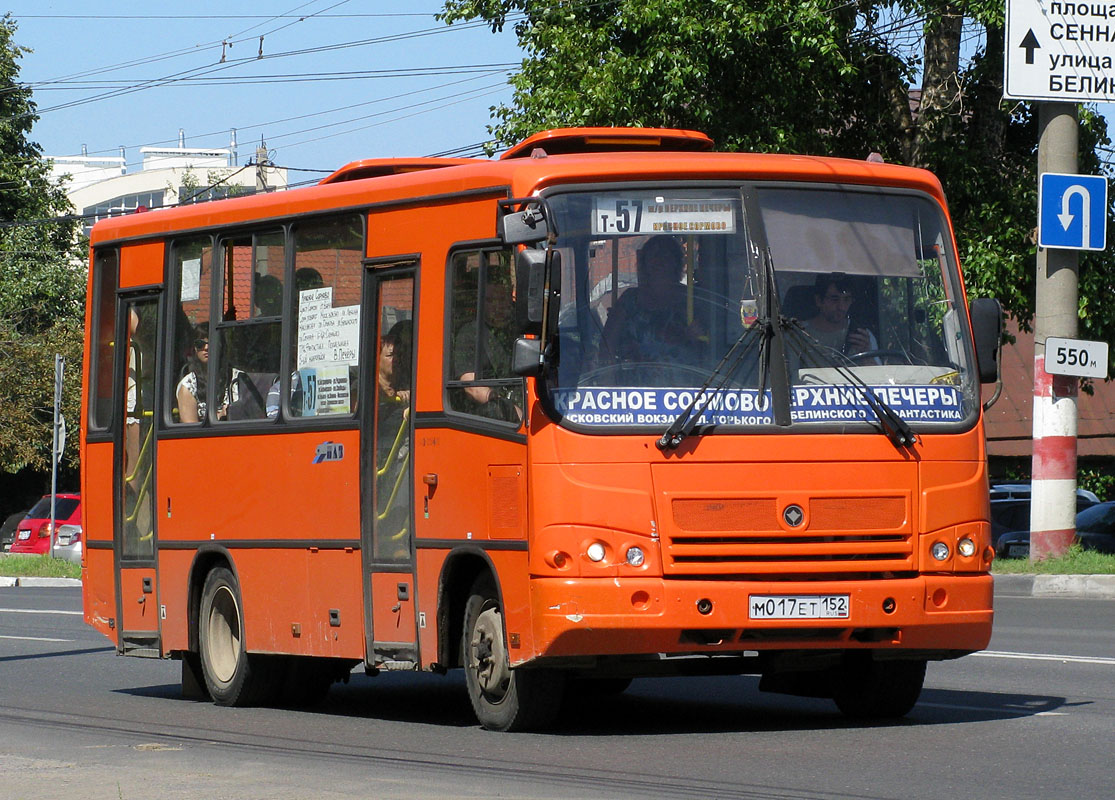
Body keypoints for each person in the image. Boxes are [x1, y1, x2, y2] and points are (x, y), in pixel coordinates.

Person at [601, 236, 701, 363]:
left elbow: (706, 345)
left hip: (688, 380)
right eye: (653, 255)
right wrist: (607, 379)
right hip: (635, 380)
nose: (659, 260)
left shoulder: (691, 300)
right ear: (644, 262)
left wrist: (693, 336)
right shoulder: (629, 300)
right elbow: (607, 345)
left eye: (665, 254)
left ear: (676, 261)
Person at [452, 279, 519, 419]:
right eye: (490, 300)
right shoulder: (470, 334)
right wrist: (505, 406)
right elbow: (470, 385)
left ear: (510, 296)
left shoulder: (522, 329)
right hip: (494, 415)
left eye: (501, 299)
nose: (497, 306)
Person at [800, 273, 878, 359]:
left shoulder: (862, 336)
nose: (841, 307)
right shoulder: (798, 335)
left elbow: (879, 372)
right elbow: (791, 371)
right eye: (834, 299)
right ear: (819, 300)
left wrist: (866, 354)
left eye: (847, 299)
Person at [176, 324, 217, 422]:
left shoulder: (237, 378)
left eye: (212, 342)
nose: (206, 347)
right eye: (200, 344)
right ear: (194, 348)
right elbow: (190, 431)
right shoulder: (188, 386)